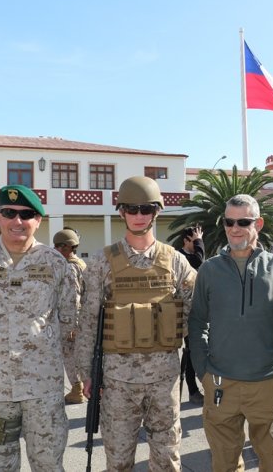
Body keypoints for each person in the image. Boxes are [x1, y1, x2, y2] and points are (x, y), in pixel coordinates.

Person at [77, 176, 196, 471]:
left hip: (164, 380)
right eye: (132, 209)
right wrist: (86, 374)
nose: (139, 216)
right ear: (121, 212)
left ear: (157, 212)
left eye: (146, 209)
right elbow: (89, 321)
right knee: (118, 461)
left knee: (167, 460)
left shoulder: (176, 261)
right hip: (118, 382)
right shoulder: (102, 262)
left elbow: (195, 312)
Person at [0, 185, 77, 470]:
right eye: (9, 213)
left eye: (26, 214)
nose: (17, 221)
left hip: (43, 387)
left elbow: (68, 319)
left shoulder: (55, 263)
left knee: (48, 464)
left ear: (38, 221)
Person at [189, 194, 273, 472]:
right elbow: (197, 322)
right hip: (219, 383)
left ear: (259, 224)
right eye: (229, 221)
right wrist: (202, 369)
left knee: (270, 462)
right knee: (224, 463)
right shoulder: (209, 270)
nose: (235, 228)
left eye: (243, 221)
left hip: (267, 385)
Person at [53, 228, 87, 405]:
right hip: (75, 319)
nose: (57, 250)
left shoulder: (70, 267)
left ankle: (77, 388)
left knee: (70, 356)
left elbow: (73, 298)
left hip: (69, 320)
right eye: (56, 246)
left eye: (60, 246)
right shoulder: (79, 263)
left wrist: (73, 326)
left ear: (69, 247)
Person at [177, 225, 205, 405]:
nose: (196, 245)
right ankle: (192, 390)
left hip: (196, 310)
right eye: (193, 241)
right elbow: (199, 261)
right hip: (184, 314)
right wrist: (199, 242)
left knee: (193, 351)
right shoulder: (181, 257)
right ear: (186, 241)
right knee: (190, 352)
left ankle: (194, 389)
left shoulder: (191, 255)